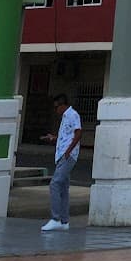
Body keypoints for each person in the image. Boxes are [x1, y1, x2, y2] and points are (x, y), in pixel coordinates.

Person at [40, 92, 81, 230]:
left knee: (55, 184)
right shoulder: (65, 117)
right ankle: (64, 221)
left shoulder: (72, 115)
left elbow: (78, 133)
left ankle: (55, 218)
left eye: (56, 107)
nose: (55, 110)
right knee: (63, 188)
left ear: (63, 105)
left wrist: (69, 151)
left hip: (67, 155)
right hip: (62, 154)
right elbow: (67, 135)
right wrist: (54, 138)